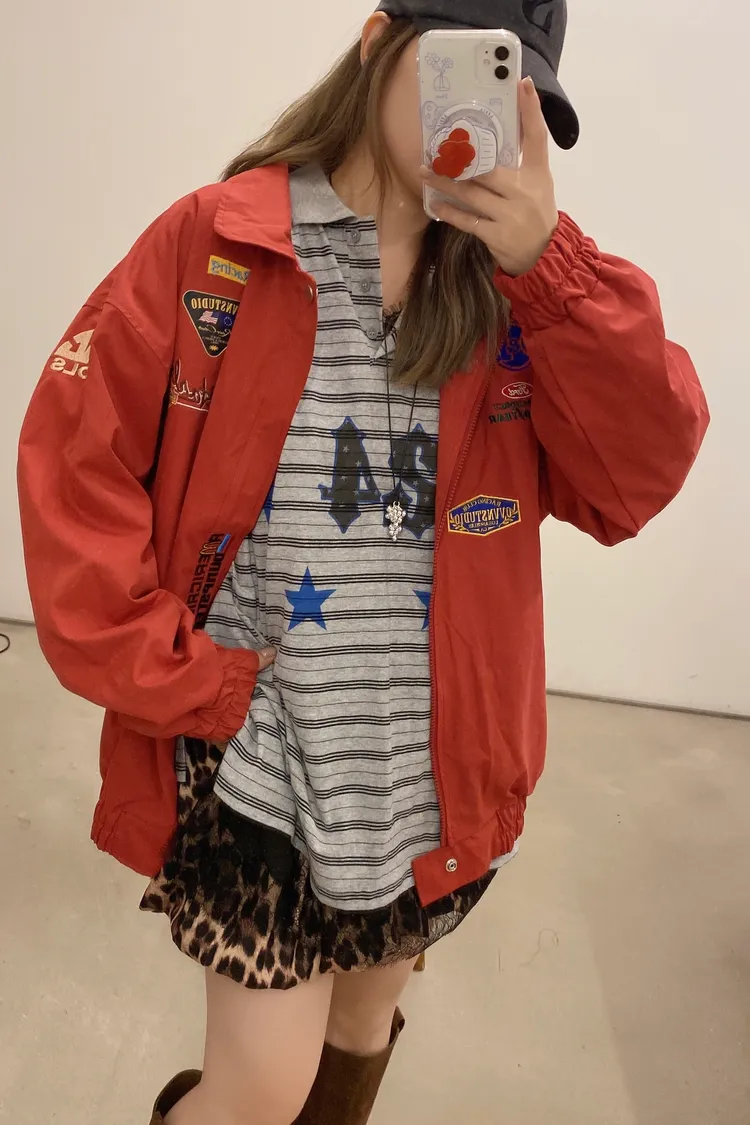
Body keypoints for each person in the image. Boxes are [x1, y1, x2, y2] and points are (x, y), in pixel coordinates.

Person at [17, 1, 708, 1122]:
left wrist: (551, 267)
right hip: (261, 758)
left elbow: (638, 473)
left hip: (429, 770)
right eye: (456, 69)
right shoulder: (219, 244)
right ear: (379, 41)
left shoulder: (517, 292)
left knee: (363, 1026)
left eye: (511, 90)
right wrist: (181, 678)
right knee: (259, 1087)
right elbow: (74, 462)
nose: (474, 116)